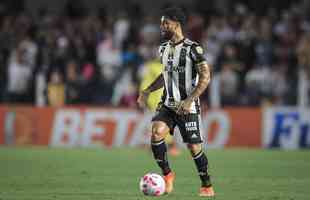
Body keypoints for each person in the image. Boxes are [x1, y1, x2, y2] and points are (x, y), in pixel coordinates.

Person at [137, 7, 215, 197]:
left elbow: (206, 77)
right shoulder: (163, 48)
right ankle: (168, 175)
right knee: (156, 133)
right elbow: (166, 76)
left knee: (193, 147)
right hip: (168, 104)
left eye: (166, 22)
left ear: (176, 24)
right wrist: (147, 91)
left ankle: (206, 185)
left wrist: (189, 100)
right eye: (162, 23)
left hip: (188, 107)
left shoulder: (192, 48)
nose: (162, 26)